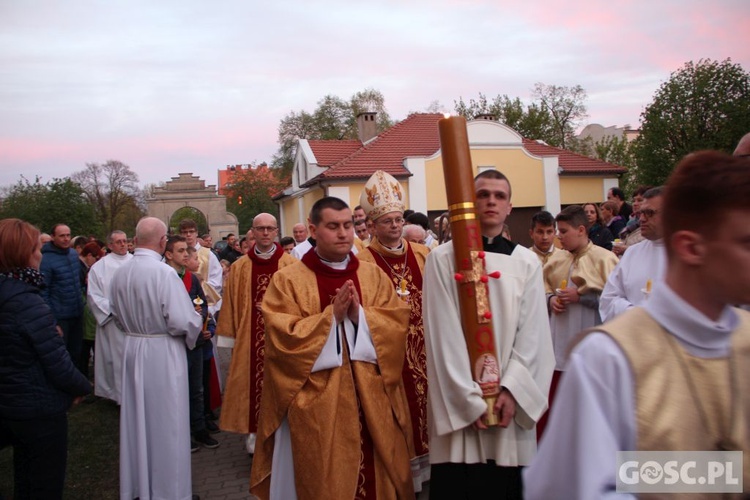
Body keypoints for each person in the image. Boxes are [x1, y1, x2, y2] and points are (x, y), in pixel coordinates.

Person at [525, 150, 750, 498]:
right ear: (691, 248)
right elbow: (574, 485)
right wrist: (726, 475)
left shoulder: (744, 337)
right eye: (745, 242)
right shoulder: (609, 359)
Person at [250, 197, 415, 500]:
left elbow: (396, 326)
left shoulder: (372, 274)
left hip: (372, 397)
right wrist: (330, 319)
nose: (343, 233)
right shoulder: (288, 280)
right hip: (318, 403)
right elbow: (281, 339)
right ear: (313, 229)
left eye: (348, 225)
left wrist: (360, 318)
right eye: (333, 226)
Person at [423, 170, 554, 499]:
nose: (491, 201)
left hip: (509, 406)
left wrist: (513, 390)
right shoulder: (441, 259)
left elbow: (535, 334)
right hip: (462, 409)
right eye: (483, 194)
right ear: (471, 203)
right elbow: (442, 334)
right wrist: (469, 400)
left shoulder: (527, 263)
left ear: (510, 207)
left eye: (499, 195)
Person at [110, 217, 203, 500]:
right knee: (168, 425)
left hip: (134, 349)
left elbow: (114, 314)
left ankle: (140, 486)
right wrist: (195, 327)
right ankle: (170, 492)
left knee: (138, 422)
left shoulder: (120, 273)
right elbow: (181, 321)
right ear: (163, 242)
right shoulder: (163, 274)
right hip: (163, 353)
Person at [0, 218, 91, 499]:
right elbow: (58, 362)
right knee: (42, 483)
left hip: (10, 400)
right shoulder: (26, 301)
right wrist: (83, 387)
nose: (41, 254)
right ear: (23, 254)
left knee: (24, 476)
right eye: (36, 248)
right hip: (37, 407)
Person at [358, 169, 432, 493]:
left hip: (429, 351)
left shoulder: (423, 254)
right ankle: (408, 479)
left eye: (398, 220)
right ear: (372, 225)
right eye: (387, 221)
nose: (395, 226)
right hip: (392, 357)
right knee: (401, 414)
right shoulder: (363, 262)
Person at [216, 213, 295, 455]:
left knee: (283, 388)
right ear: (252, 232)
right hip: (250, 341)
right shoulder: (240, 267)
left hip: (283, 340)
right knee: (253, 390)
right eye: (260, 229)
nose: (265, 233)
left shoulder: (291, 266)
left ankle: (286, 440)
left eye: (270, 229)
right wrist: (229, 338)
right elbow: (229, 303)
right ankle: (254, 443)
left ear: (276, 231)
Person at [541, 205, 618, 439]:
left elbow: (613, 302)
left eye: (563, 231)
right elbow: (540, 290)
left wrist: (582, 297)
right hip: (559, 343)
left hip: (591, 341)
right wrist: (551, 300)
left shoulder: (605, 259)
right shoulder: (556, 260)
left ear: (581, 230)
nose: (558, 236)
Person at [164, 236, 219, 452]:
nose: (186, 254)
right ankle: (183, 433)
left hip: (196, 340)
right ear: (169, 255)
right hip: (175, 342)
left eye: (187, 251)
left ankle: (199, 428)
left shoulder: (191, 278)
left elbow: (203, 303)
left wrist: (204, 323)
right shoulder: (165, 277)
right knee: (178, 390)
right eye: (180, 251)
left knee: (196, 389)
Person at [599, 187, 667, 322]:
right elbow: (607, 300)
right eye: (641, 213)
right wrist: (635, 313)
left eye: (649, 213)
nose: (641, 219)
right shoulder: (632, 253)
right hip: (633, 336)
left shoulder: (690, 256)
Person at [87, 230, 133, 404]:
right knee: (115, 360)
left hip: (136, 321)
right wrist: (115, 310)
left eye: (124, 240)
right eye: (118, 241)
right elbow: (94, 295)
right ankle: (118, 396)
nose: (122, 244)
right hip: (113, 322)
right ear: (110, 245)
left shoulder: (136, 262)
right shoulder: (100, 267)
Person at [40, 223, 86, 372]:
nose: (66, 239)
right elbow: (43, 292)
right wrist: (52, 321)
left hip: (77, 312)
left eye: (68, 235)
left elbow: (79, 282)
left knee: (76, 351)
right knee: (61, 354)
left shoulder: (73, 255)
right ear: (53, 237)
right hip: (60, 316)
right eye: (62, 236)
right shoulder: (46, 260)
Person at [179, 219, 223, 315]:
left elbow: (217, 281)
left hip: (207, 305)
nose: (188, 235)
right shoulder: (177, 254)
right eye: (185, 232)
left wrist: (196, 291)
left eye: (191, 231)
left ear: (196, 233)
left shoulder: (208, 255)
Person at [78, 241, 105, 377]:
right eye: (96, 258)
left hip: (87, 315)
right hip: (86, 315)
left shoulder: (83, 267)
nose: (96, 261)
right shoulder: (81, 268)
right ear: (89, 255)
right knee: (86, 348)